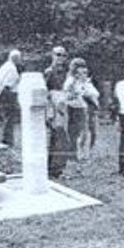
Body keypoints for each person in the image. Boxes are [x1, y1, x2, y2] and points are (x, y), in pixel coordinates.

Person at [63, 59, 99, 165]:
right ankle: (75, 154)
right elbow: (68, 95)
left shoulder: (86, 82)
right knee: (76, 132)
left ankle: (83, 153)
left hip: (86, 107)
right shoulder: (71, 81)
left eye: (85, 72)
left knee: (87, 132)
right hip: (75, 108)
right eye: (80, 71)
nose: (84, 73)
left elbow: (95, 94)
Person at [44, 46, 70, 178]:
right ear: (52, 55)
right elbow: (45, 92)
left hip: (64, 106)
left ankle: (55, 168)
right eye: (58, 55)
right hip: (53, 108)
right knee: (59, 138)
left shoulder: (67, 72)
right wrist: (49, 111)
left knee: (60, 138)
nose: (61, 58)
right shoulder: (49, 72)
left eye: (63, 55)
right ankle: (55, 169)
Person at [0, 50, 22, 146]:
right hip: (8, 94)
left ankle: (6, 138)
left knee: (7, 117)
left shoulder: (4, 66)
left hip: (2, 93)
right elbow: (8, 84)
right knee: (9, 117)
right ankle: (7, 139)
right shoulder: (11, 69)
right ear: (15, 58)